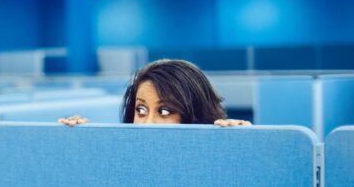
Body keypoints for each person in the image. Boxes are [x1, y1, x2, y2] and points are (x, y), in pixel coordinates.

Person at [58, 59, 251, 127]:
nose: (147, 122)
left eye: (165, 111)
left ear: (195, 115)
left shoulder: (209, 160)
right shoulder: (124, 158)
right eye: (140, 109)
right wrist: (79, 140)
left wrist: (236, 144)